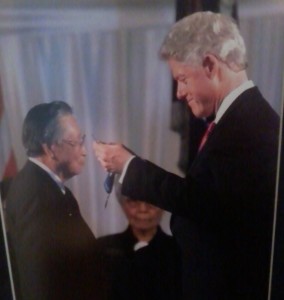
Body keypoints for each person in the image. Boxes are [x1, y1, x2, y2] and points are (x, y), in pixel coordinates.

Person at [93, 12, 280, 300]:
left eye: (182, 79)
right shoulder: (239, 119)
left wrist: (129, 166)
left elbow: (203, 204)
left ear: (209, 65)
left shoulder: (249, 125)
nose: (179, 93)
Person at [6, 101, 104, 300]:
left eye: (82, 140)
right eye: (75, 142)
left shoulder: (48, 188)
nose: (84, 151)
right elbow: (40, 281)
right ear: (50, 148)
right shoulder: (33, 194)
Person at [96, 182, 182, 300]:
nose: (143, 209)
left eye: (152, 201)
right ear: (122, 204)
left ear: (163, 207)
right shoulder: (102, 248)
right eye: (133, 201)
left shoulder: (179, 251)